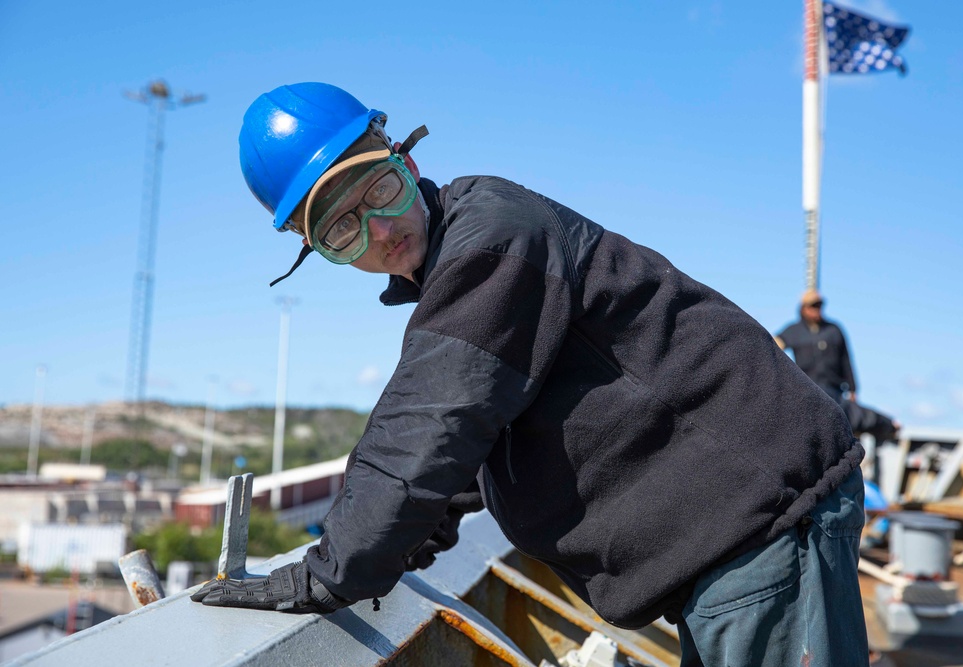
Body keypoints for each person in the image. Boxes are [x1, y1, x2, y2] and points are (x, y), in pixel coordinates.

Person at [192, 82, 869, 666]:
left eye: (382, 190)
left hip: (762, 523)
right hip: (736, 528)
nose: (380, 229)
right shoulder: (463, 274)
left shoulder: (491, 237)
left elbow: (433, 417)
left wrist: (330, 571)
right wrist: (395, 547)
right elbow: (469, 442)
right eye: (343, 230)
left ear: (408, 159)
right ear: (318, 252)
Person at [775, 290, 900, 482]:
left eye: (819, 305)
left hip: (833, 390)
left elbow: (846, 359)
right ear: (803, 308)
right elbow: (775, 344)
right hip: (808, 390)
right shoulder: (794, 331)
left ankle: (889, 425)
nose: (817, 309)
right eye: (812, 306)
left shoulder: (834, 330)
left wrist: (852, 388)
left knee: (851, 415)